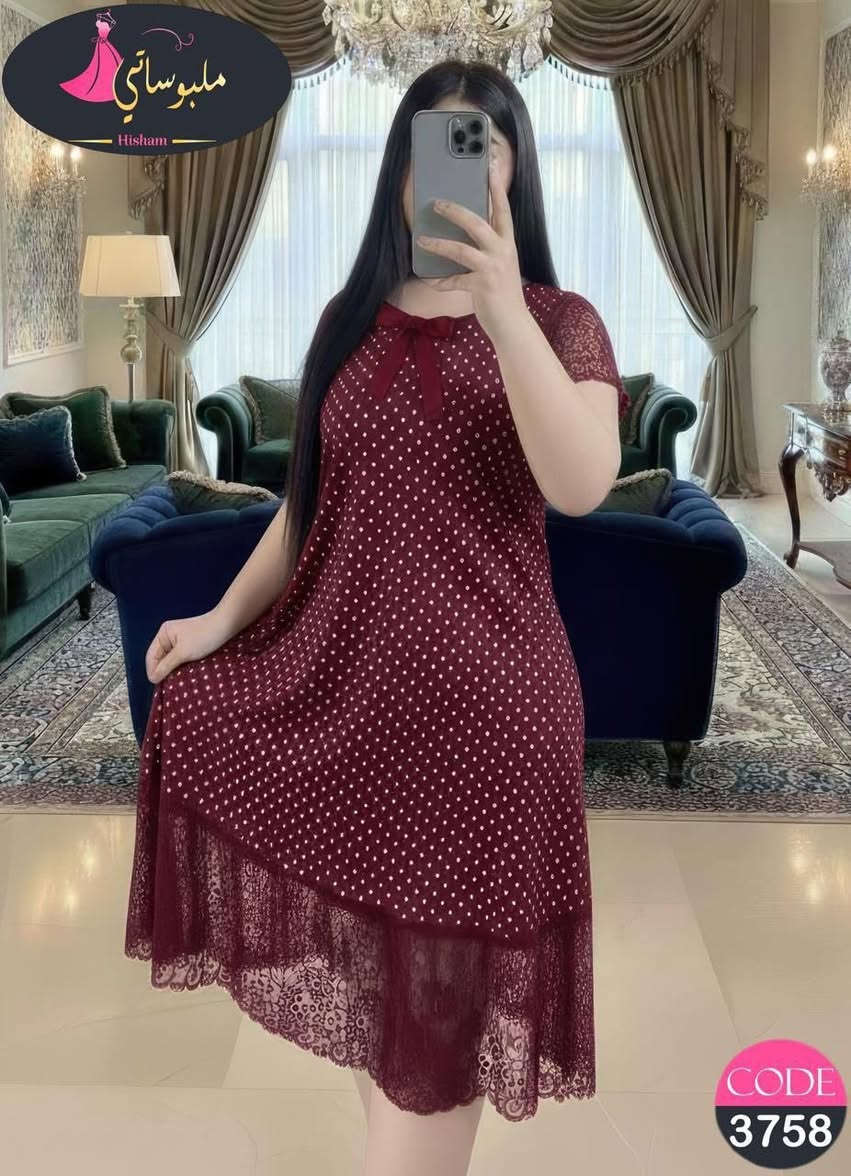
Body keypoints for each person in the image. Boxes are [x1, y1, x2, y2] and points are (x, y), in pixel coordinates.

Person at [127, 59, 630, 1176]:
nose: (451, 166)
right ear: (399, 171)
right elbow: (306, 508)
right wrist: (216, 622)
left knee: (428, 1067)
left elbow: (581, 482)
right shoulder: (347, 321)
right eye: (429, 144)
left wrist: (501, 308)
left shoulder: (560, 322)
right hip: (345, 708)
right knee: (383, 1016)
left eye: (479, 143)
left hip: (488, 731)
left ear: (513, 171)